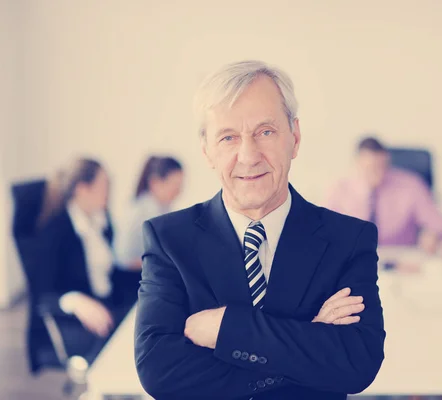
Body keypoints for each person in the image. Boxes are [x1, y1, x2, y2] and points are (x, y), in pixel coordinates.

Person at [134, 61, 385, 400]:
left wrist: (228, 330)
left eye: (265, 132)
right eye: (228, 137)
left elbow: (357, 363)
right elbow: (159, 371)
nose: (248, 155)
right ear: (207, 150)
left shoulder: (349, 239)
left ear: (294, 139)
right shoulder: (169, 239)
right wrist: (308, 338)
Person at [34, 158, 127, 365]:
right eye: (104, 185)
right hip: (77, 320)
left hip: (109, 303)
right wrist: (75, 300)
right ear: (82, 189)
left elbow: (108, 272)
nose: (109, 191)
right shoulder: (55, 230)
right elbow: (42, 295)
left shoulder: (101, 221)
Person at [323, 137, 442, 253]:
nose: (377, 175)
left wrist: (432, 234)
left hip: (401, 262)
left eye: (381, 167)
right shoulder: (339, 190)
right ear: (357, 164)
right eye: (369, 169)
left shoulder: (411, 185)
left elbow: (441, 226)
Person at [112, 156, 183, 307]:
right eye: (174, 185)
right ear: (155, 182)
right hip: (130, 286)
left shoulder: (162, 208)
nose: (178, 192)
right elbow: (123, 258)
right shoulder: (141, 210)